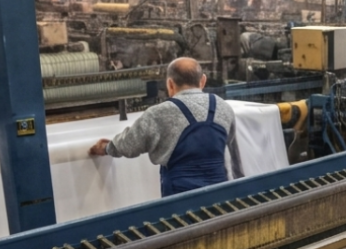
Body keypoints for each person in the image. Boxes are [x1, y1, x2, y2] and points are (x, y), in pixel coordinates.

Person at [90, 57, 241, 196]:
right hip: (220, 194)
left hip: (180, 198)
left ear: (170, 84)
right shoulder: (223, 107)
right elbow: (232, 149)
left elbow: (130, 144)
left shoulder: (159, 113)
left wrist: (106, 148)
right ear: (203, 81)